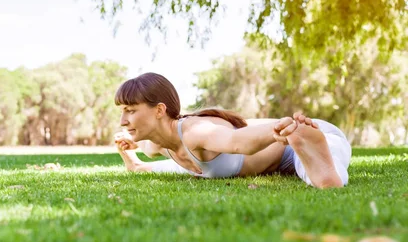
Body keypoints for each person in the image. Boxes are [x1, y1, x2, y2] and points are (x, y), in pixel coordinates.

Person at [113, 72, 351, 189]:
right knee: (181, 167)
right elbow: (148, 148)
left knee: (319, 173)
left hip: (292, 138)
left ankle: (323, 167)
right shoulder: (156, 143)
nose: (123, 120)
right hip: (276, 158)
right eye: (122, 111)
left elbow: (238, 142)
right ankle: (137, 166)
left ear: (159, 110)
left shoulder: (195, 131)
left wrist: (279, 130)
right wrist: (133, 147)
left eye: (131, 110)